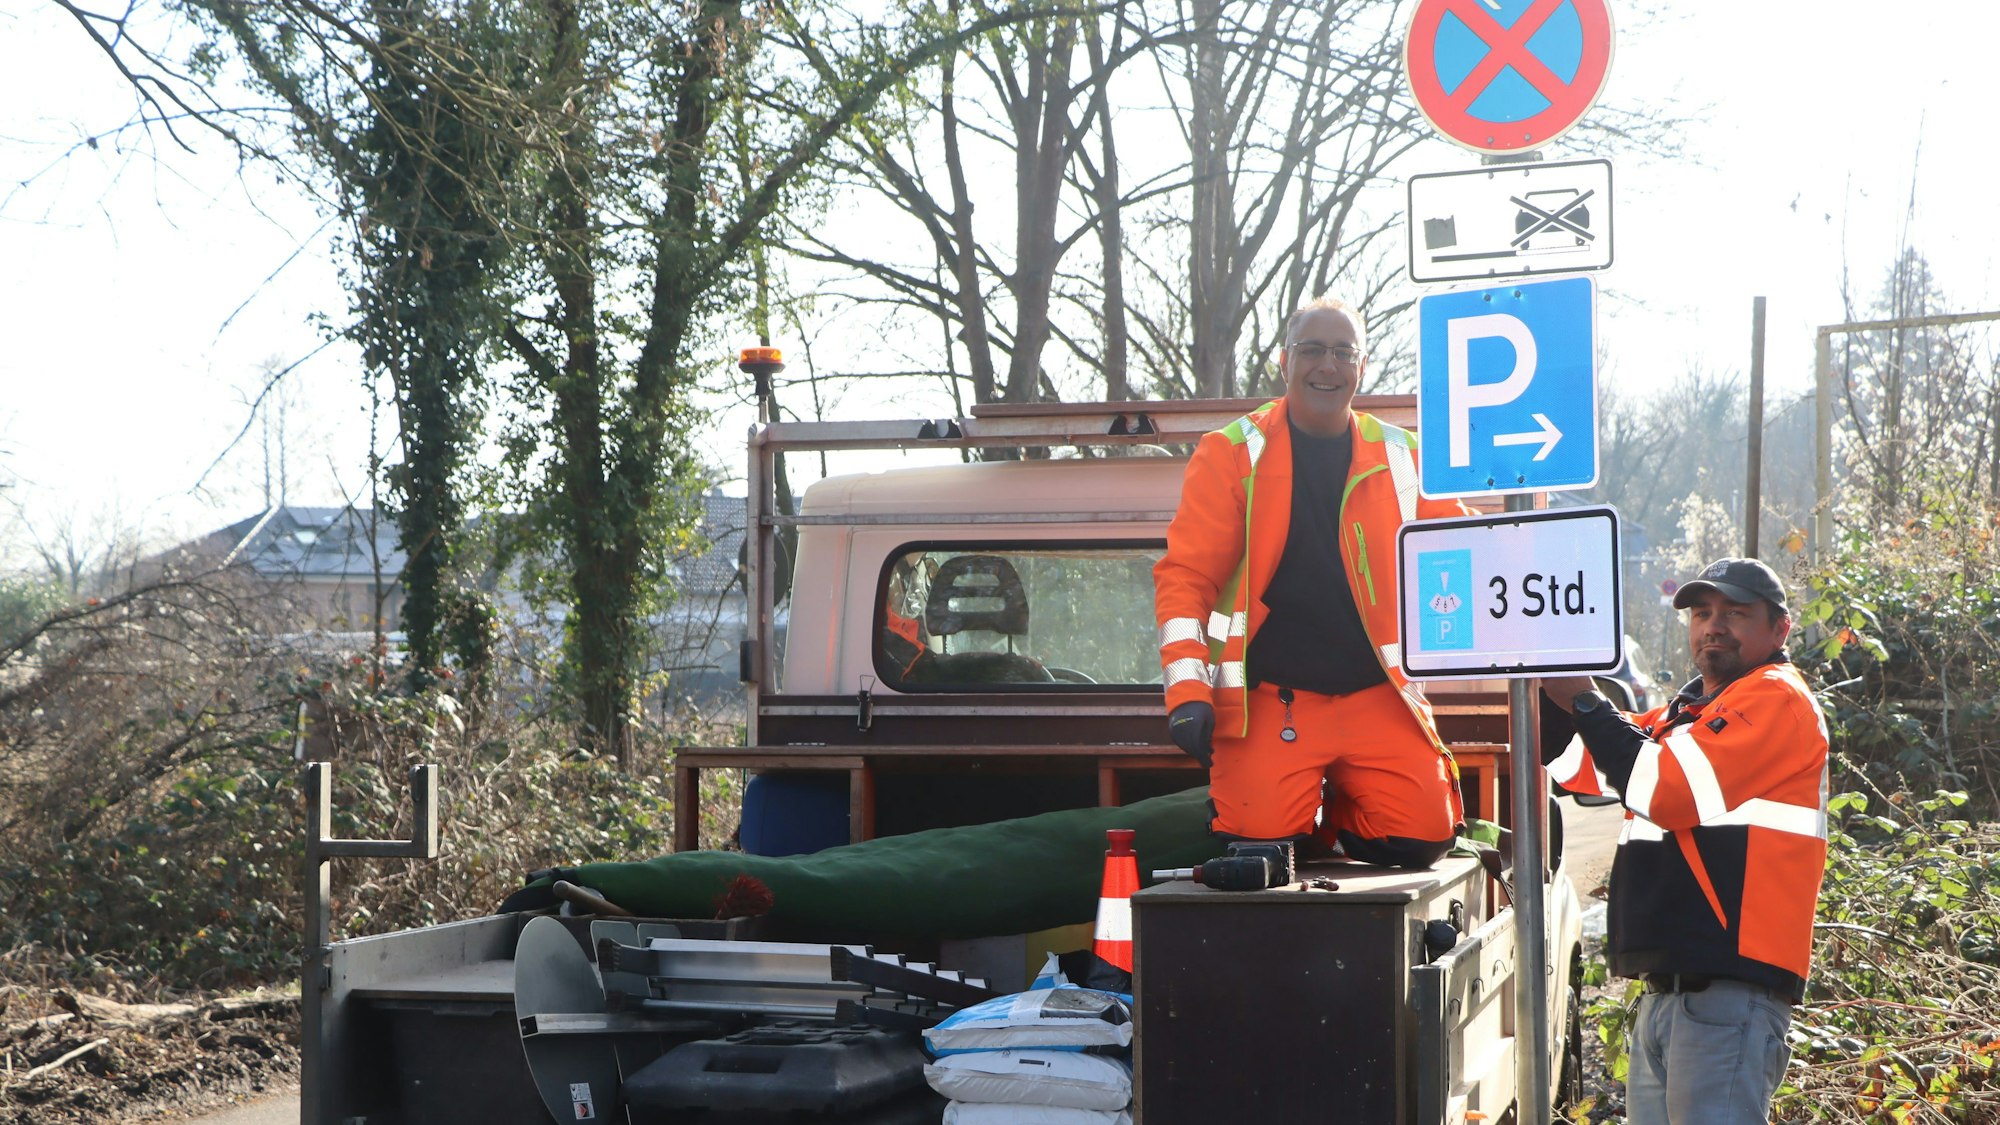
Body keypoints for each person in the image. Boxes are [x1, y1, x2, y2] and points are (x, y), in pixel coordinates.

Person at [1152, 297, 1470, 868]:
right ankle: (1300, 816)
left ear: (1362, 367)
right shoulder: (1229, 454)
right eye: (1313, 350)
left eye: (1343, 352)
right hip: (1275, 700)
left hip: (1379, 694)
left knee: (1423, 842)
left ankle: (1333, 809)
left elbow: (1469, 553)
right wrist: (1187, 692)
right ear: (1283, 361)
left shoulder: (1407, 457)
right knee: (1258, 844)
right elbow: (1186, 581)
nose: (1328, 365)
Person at [1540, 557, 1829, 1125]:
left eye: (1735, 613)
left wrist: (1584, 699)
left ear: (1780, 629)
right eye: (1702, 612)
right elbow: (1580, 764)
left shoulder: (1777, 698)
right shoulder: (1686, 716)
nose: (1713, 625)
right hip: (1670, 997)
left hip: (1727, 995)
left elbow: (1665, 789)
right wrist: (1539, 687)